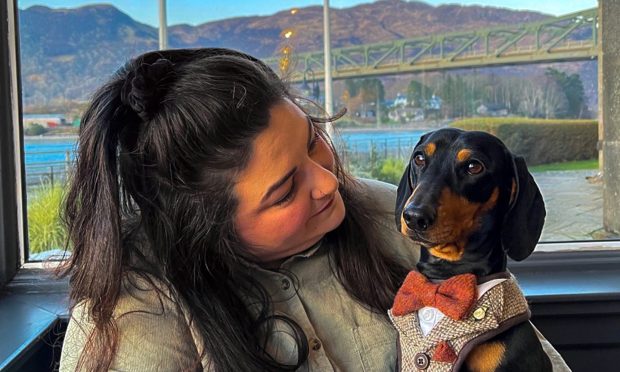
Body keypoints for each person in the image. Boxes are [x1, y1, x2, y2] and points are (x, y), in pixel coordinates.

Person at [59, 48, 569, 371]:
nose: (329, 182)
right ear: (201, 228)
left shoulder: (385, 211)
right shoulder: (130, 316)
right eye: (284, 191)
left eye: (313, 141)